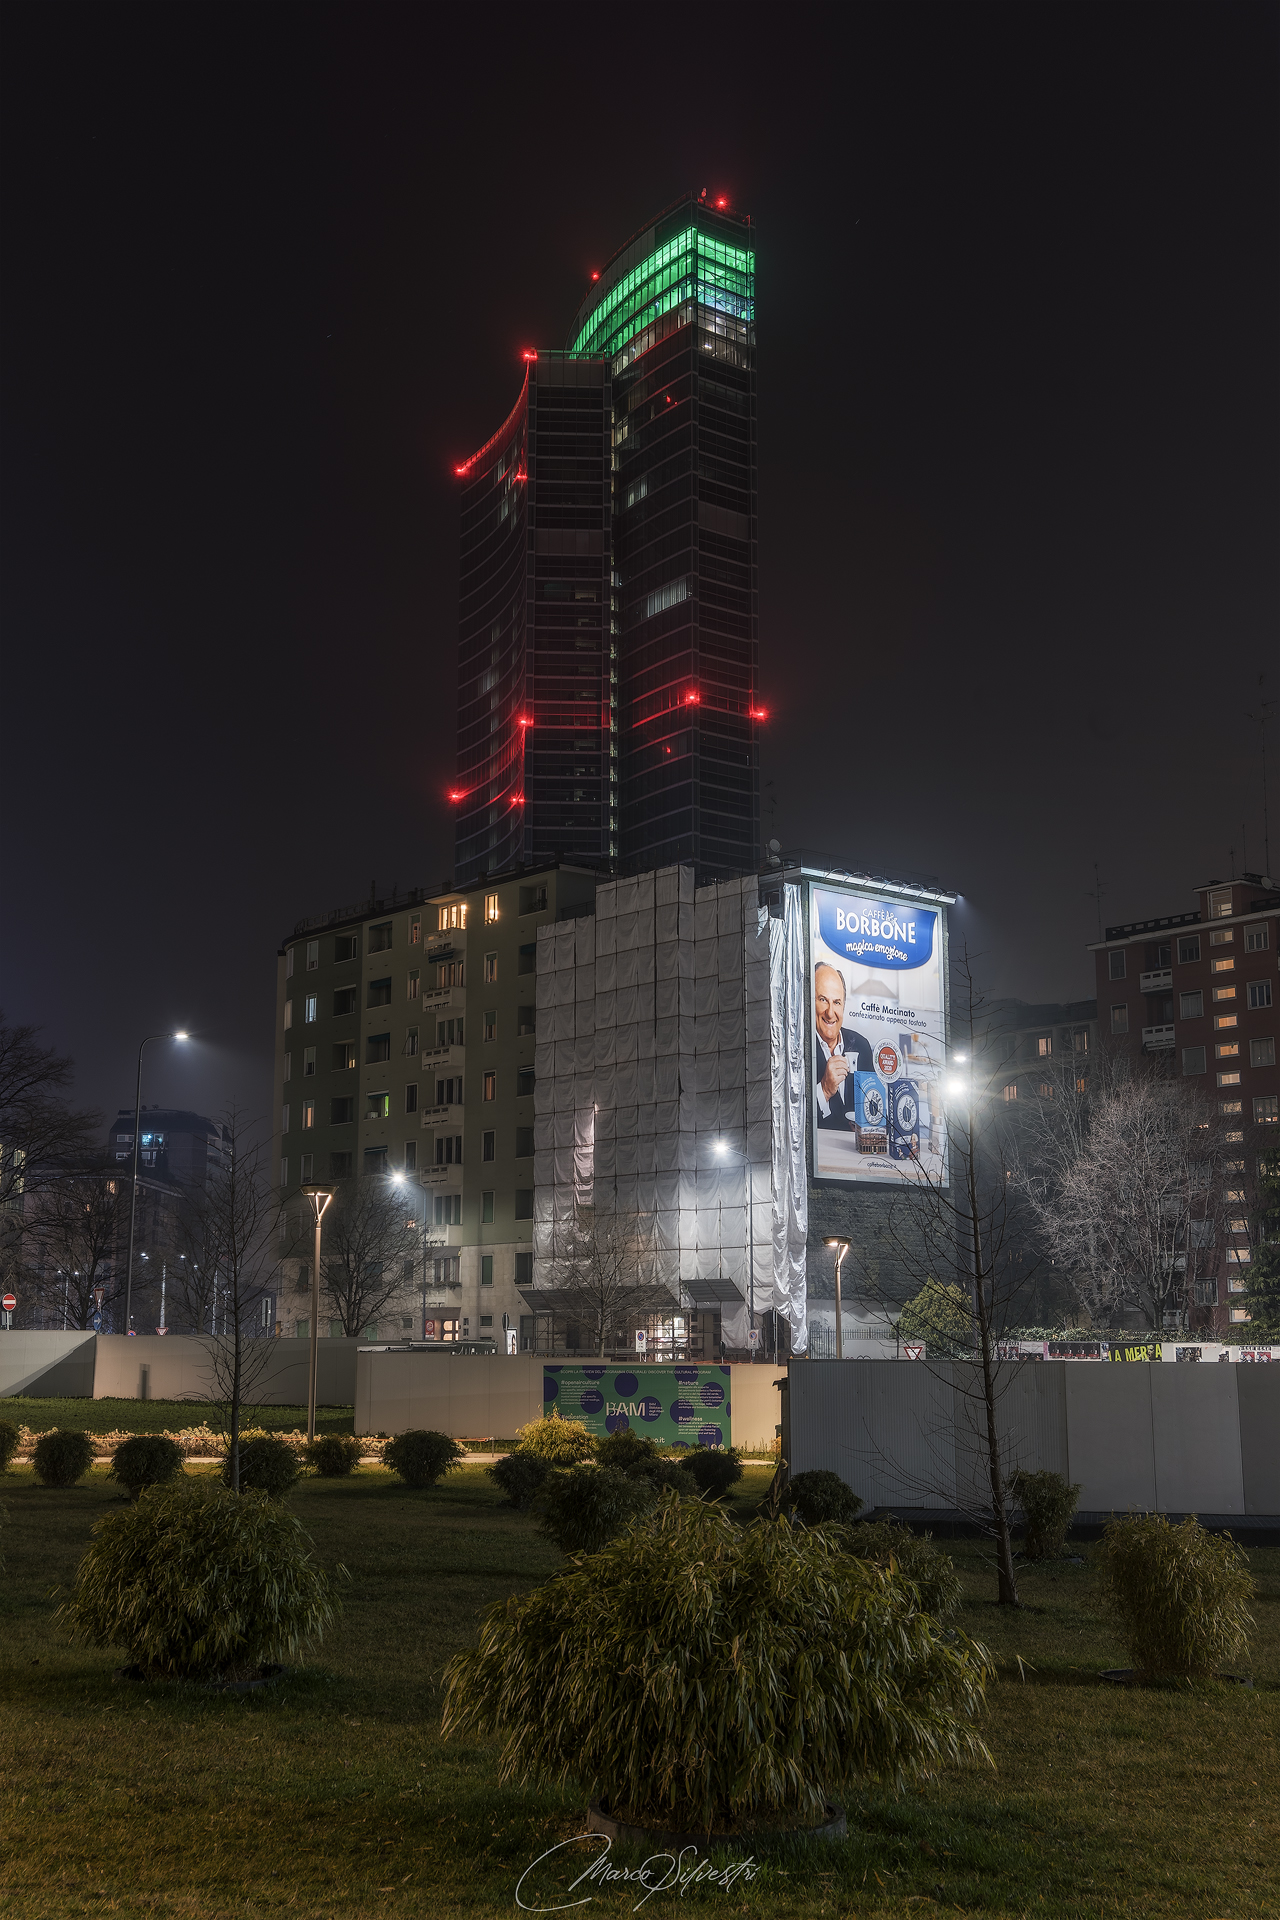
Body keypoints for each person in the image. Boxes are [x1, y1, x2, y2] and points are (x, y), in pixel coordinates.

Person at [814, 962, 873, 1129]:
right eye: (823, 1000)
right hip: (819, 1151)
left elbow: (872, 1107)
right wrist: (824, 1090)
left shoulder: (861, 1046)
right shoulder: (799, 1047)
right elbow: (792, 1118)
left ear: (844, 1005)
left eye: (837, 1002)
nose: (830, 1013)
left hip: (859, 1152)